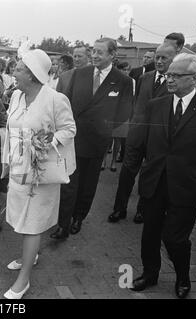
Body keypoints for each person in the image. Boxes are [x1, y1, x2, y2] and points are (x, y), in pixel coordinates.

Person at [2, 49, 76, 299]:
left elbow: (69, 129)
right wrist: (5, 161)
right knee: (22, 219)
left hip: (41, 172)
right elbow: (10, 130)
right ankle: (29, 257)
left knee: (32, 223)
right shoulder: (15, 97)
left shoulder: (55, 99)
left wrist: (47, 142)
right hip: (17, 168)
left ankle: (23, 282)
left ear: (33, 75)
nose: (14, 72)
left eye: (20, 69)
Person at [128, 54, 196, 299]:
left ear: (195, 79)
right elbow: (143, 141)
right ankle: (150, 274)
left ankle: (182, 277)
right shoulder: (156, 105)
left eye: (176, 76)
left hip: (187, 185)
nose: (169, 79)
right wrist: (133, 167)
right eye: (169, 74)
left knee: (175, 238)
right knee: (150, 233)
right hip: (155, 180)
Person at [51, 37, 133, 239]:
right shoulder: (80, 74)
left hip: (97, 141)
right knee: (68, 182)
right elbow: (65, 103)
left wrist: (105, 127)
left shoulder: (122, 81)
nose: (95, 55)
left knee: (88, 183)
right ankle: (63, 223)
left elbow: (125, 111)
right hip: (74, 139)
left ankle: (79, 217)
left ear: (112, 55)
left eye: (100, 52)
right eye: (93, 51)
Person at [109, 43, 177, 224]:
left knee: (149, 175)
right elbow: (137, 103)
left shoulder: (175, 82)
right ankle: (119, 208)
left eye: (164, 58)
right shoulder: (144, 78)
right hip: (137, 133)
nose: (159, 61)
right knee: (127, 172)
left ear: (173, 59)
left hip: (158, 137)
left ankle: (142, 210)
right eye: (158, 57)